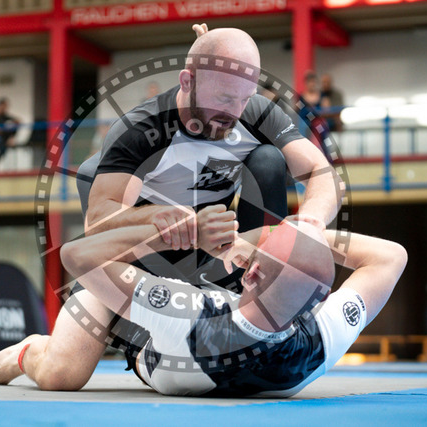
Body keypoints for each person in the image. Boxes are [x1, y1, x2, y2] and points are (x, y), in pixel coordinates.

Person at [0, 212, 407, 396]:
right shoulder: (324, 337)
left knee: (60, 374)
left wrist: (167, 232)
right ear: (321, 298)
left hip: (150, 323)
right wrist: (306, 241)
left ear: (251, 274)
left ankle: (29, 351)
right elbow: (392, 256)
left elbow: (76, 256)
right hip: (203, 288)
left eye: (262, 242)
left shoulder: (189, 315)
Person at [77, 26, 341, 292]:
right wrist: (158, 216)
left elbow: (321, 171)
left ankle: (261, 287)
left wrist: (310, 222)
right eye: (224, 98)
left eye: (245, 99)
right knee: (90, 174)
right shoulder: (142, 128)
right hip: (149, 253)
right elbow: (98, 221)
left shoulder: (257, 113)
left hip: (222, 253)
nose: (234, 113)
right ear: (187, 82)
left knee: (268, 159)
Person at [0, 97, 20, 166]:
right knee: (1, 145)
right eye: (4, 106)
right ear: (0, 105)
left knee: (4, 146)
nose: (5, 108)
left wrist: (11, 137)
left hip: (4, 139)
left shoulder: (5, 117)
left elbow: (16, 121)